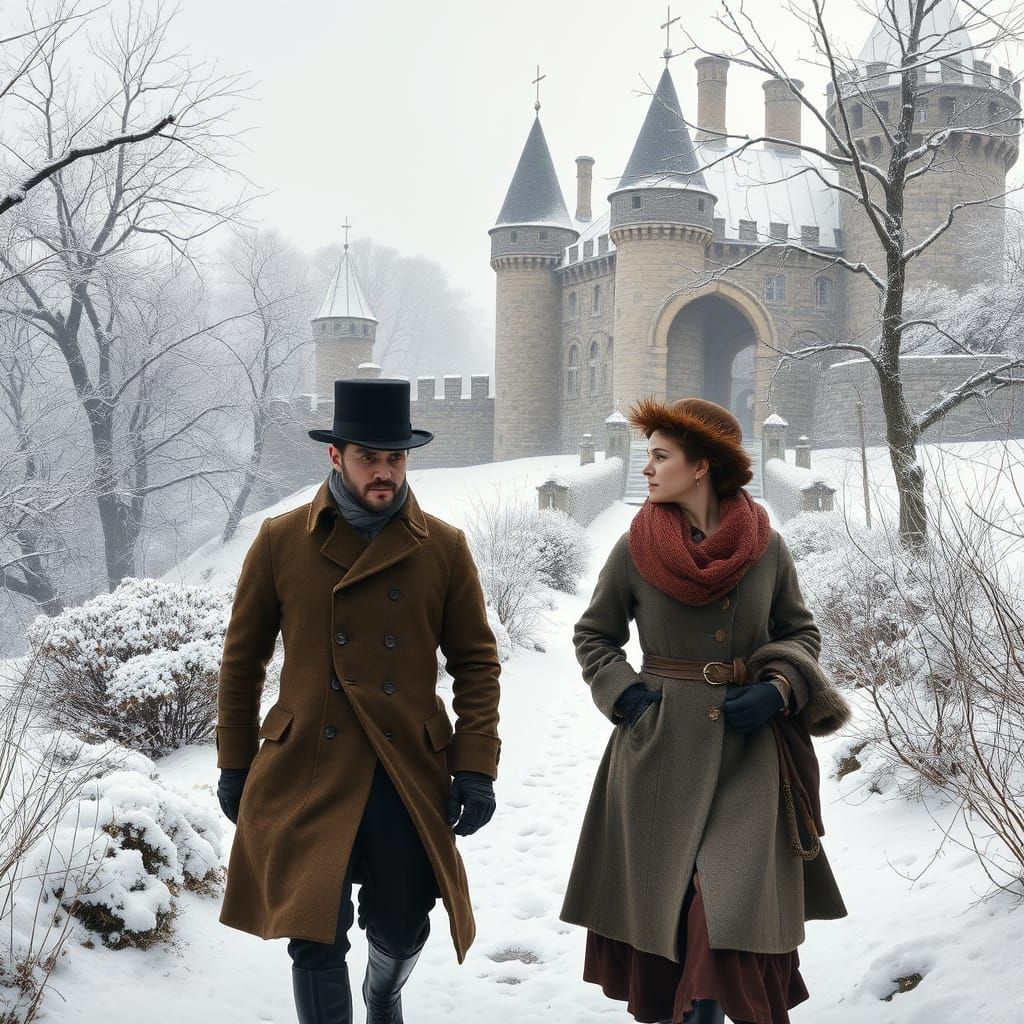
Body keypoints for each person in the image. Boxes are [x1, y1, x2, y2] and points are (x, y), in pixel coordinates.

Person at [215, 378, 501, 1024]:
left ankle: (384, 992)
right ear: (335, 456)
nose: (385, 473)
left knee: (402, 927)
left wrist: (476, 765)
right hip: (309, 767)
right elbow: (240, 665)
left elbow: (477, 664)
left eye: (395, 459)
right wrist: (235, 762)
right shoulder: (280, 540)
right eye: (370, 457)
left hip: (404, 769)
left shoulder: (445, 549)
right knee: (314, 937)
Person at [560, 397, 850, 1024]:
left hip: (752, 759)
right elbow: (594, 635)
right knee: (675, 926)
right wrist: (627, 696)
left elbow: (801, 634)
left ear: (701, 466)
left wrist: (777, 689)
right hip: (657, 755)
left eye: (660, 456)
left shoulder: (767, 546)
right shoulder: (635, 546)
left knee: (723, 924)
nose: (646, 468)